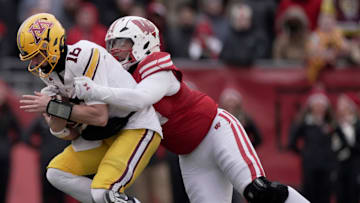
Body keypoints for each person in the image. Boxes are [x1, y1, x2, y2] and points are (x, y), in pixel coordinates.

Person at [74, 16, 310, 203]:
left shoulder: (157, 68)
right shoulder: (117, 85)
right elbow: (106, 124)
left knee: (257, 192)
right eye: (111, 45)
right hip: (190, 155)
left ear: (143, 41)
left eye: (121, 43)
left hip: (216, 131)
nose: (114, 51)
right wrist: (69, 112)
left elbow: (140, 98)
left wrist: (94, 91)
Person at [17, 13, 163, 203]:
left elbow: (99, 116)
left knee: (102, 191)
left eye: (37, 55)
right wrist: (54, 113)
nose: (34, 63)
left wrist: (53, 107)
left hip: (135, 126)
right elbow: (70, 134)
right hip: (105, 134)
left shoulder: (83, 55)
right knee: (56, 173)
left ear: (51, 45)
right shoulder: (50, 75)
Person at [288, 88, 337, 203]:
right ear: (311, 106)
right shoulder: (305, 123)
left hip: (327, 166)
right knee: (309, 193)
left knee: (325, 193)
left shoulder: (331, 124)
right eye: (316, 105)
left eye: (322, 105)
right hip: (310, 165)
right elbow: (292, 142)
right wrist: (304, 153)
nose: (319, 108)